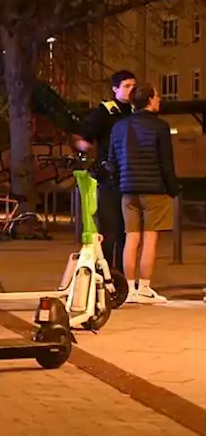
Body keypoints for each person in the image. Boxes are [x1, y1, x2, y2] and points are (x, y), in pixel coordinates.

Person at [107, 84, 178, 305]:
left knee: (131, 237)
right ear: (149, 99)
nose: (159, 100)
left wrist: (121, 182)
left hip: (128, 190)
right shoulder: (160, 127)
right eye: (157, 96)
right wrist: (173, 187)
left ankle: (128, 289)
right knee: (150, 238)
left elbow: (113, 161)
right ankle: (144, 288)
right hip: (154, 189)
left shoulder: (118, 127)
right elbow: (166, 161)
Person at [75, 70, 136, 278]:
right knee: (110, 228)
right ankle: (105, 271)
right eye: (126, 86)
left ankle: (121, 273)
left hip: (130, 177)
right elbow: (86, 136)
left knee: (126, 231)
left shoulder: (136, 111)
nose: (131, 90)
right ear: (115, 89)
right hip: (110, 178)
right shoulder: (106, 111)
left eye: (133, 86)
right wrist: (84, 145)